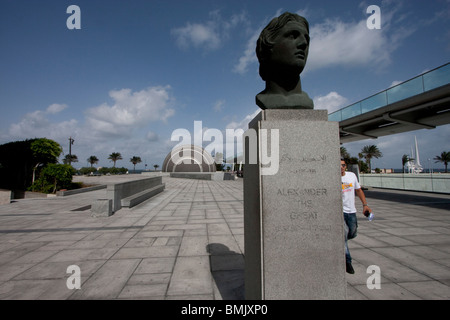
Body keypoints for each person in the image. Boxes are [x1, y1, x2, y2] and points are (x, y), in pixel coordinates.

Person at [255, 12, 314, 110]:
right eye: (293, 36)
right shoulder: (264, 99)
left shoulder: (307, 101)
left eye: (306, 39)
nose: (304, 43)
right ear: (267, 48)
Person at [341, 158, 371, 274]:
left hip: (351, 211)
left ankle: (338, 242)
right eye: (339, 165)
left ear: (346, 166)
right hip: (340, 212)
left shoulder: (352, 176)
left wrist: (365, 205)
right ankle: (348, 261)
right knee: (343, 237)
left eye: (343, 165)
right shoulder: (333, 177)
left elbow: (358, 191)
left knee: (352, 233)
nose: (341, 167)